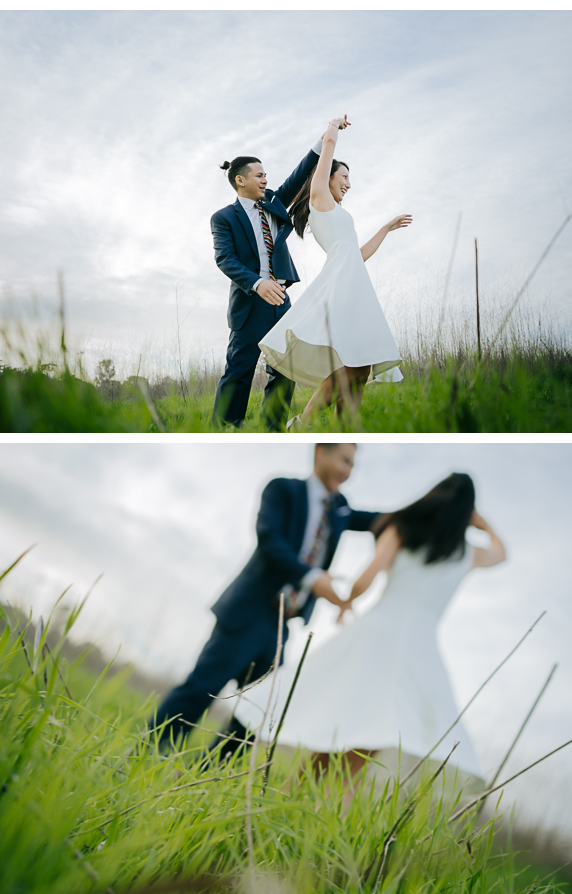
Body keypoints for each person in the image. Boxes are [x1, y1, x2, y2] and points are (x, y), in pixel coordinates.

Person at [236, 473, 506, 784]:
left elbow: (366, 578)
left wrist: (346, 603)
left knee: (341, 716)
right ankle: (318, 802)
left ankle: (290, 795)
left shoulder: (403, 529)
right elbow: (502, 553)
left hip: (377, 632)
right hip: (420, 648)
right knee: (371, 734)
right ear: (467, 512)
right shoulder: (467, 553)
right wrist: (483, 525)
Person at [149, 444, 382, 754]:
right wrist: (313, 578)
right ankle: (148, 752)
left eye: (353, 465)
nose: (347, 471)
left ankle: (210, 774)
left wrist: (441, 508)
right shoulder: (283, 489)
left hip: (282, 624)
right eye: (344, 460)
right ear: (320, 452)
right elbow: (269, 539)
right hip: (249, 611)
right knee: (202, 688)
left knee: (258, 711)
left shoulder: (341, 509)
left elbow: (383, 520)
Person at [257, 116, 412, 429]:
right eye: (344, 176)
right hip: (341, 287)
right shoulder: (320, 200)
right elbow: (327, 147)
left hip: (354, 284)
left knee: (361, 369)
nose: (349, 184)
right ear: (327, 178)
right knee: (354, 366)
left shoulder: (341, 213)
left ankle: (346, 429)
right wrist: (332, 127)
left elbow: (358, 255)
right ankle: (302, 423)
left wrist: (385, 229)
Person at [210, 130, 326, 431]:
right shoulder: (223, 218)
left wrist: (324, 138)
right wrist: (257, 283)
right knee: (239, 371)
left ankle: (273, 428)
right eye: (259, 175)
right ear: (240, 180)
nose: (265, 180)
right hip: (250, 303)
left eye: (266, 175)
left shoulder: (274, 203)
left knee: (285, 368)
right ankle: (225, 430)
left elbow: (299, 176)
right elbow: (225, 259)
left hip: (281, 301)